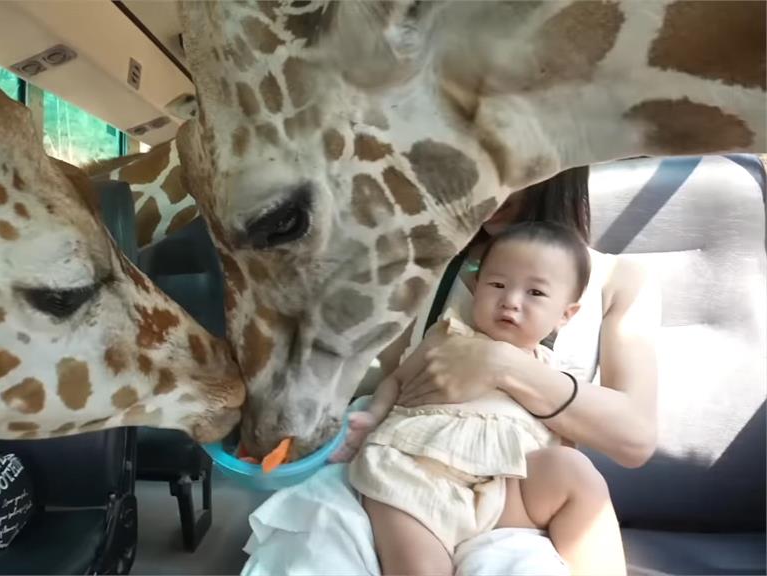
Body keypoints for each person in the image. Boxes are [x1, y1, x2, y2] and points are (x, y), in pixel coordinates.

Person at [241, 166, 660, 576]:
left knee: (577, 478)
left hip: (511, 482)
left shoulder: (622, 279)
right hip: (415, 465)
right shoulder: (423, 262)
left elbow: (635, 440)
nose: (480, 193)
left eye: (502, 170)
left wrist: (501, 364)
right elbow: (390, 378)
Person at [345, 221, 625, 575]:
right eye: (497, 285)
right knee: (418, 567)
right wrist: (372, 418)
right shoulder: (447, 337)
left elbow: (562, 440)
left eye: (535, 293)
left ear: (565, 315)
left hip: (505, 491)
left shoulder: (547, 374)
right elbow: (396, 380)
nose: (510, 301)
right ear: (476, 288)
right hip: (416, 476)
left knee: (578, 473)